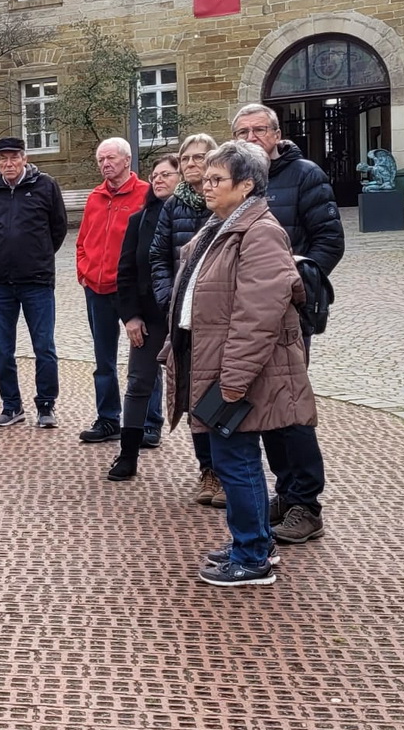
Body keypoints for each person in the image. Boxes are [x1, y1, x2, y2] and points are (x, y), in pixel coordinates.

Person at [167, 140, 313, 586]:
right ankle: (254, 541)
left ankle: (252, 558)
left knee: (238, 460)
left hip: (238, 371)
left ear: (246, 185)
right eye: (205, 179)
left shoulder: (259, 231)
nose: (205, 186)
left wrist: (232, 380)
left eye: (216, 179)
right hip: (212, 361)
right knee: (234, 457)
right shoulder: (221, 225)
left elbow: (258, 314)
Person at [231, 103, 344, 545]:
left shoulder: (304, 175)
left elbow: (328, 241)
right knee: (265, 408)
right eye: (243, 131)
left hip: (290, 317)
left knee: (290, 407)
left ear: (277, 135)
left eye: (260, 130)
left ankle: (306, 504)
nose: (252, 137)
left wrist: (290, 286)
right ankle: (286, 492)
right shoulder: (237, 181)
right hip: (247, 317)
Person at [149, 133, 225, 504]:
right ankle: (207, 471)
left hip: (220, 317)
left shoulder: (225, 202)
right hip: (182, 317)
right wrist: (168, 299)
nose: (193, 164)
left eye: (200, 157)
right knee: (192, 393)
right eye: (186, 158)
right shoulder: (174, 206)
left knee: (223, 393)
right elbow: (158, 256)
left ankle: (230, 471)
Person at [0, 136, 67, 429]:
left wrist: (37, 256)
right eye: (3, 158)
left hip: (37, 282)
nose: (9, 163)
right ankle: (11, 405)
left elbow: (58, 229)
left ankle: (45, 405)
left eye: (14, 157)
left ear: (25, 158)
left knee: (44, 347)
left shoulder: (46, 186)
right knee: (2, 349)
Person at [107, 154, 179, 480]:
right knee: (138, 383)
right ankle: (128, 455)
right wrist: (131, 317)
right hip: (148, 318)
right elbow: (125, 272)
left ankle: (211, 468)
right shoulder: (140, 219)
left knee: (199, 389)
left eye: (167, 174)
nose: (159, 179)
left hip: (188, 318)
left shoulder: (199, 216)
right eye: (156, 174)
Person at [75, 138, 152, 444]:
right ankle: (108, 419)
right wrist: (84, 270)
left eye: (110, 158)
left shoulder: (146, 194)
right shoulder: (95, 197)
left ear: (127, 160)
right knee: (103, 360)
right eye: (100, 160)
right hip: (97, 288)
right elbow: (82, 240)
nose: (105, 164)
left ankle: (148, 423)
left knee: (144, 360)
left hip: (132, 290)